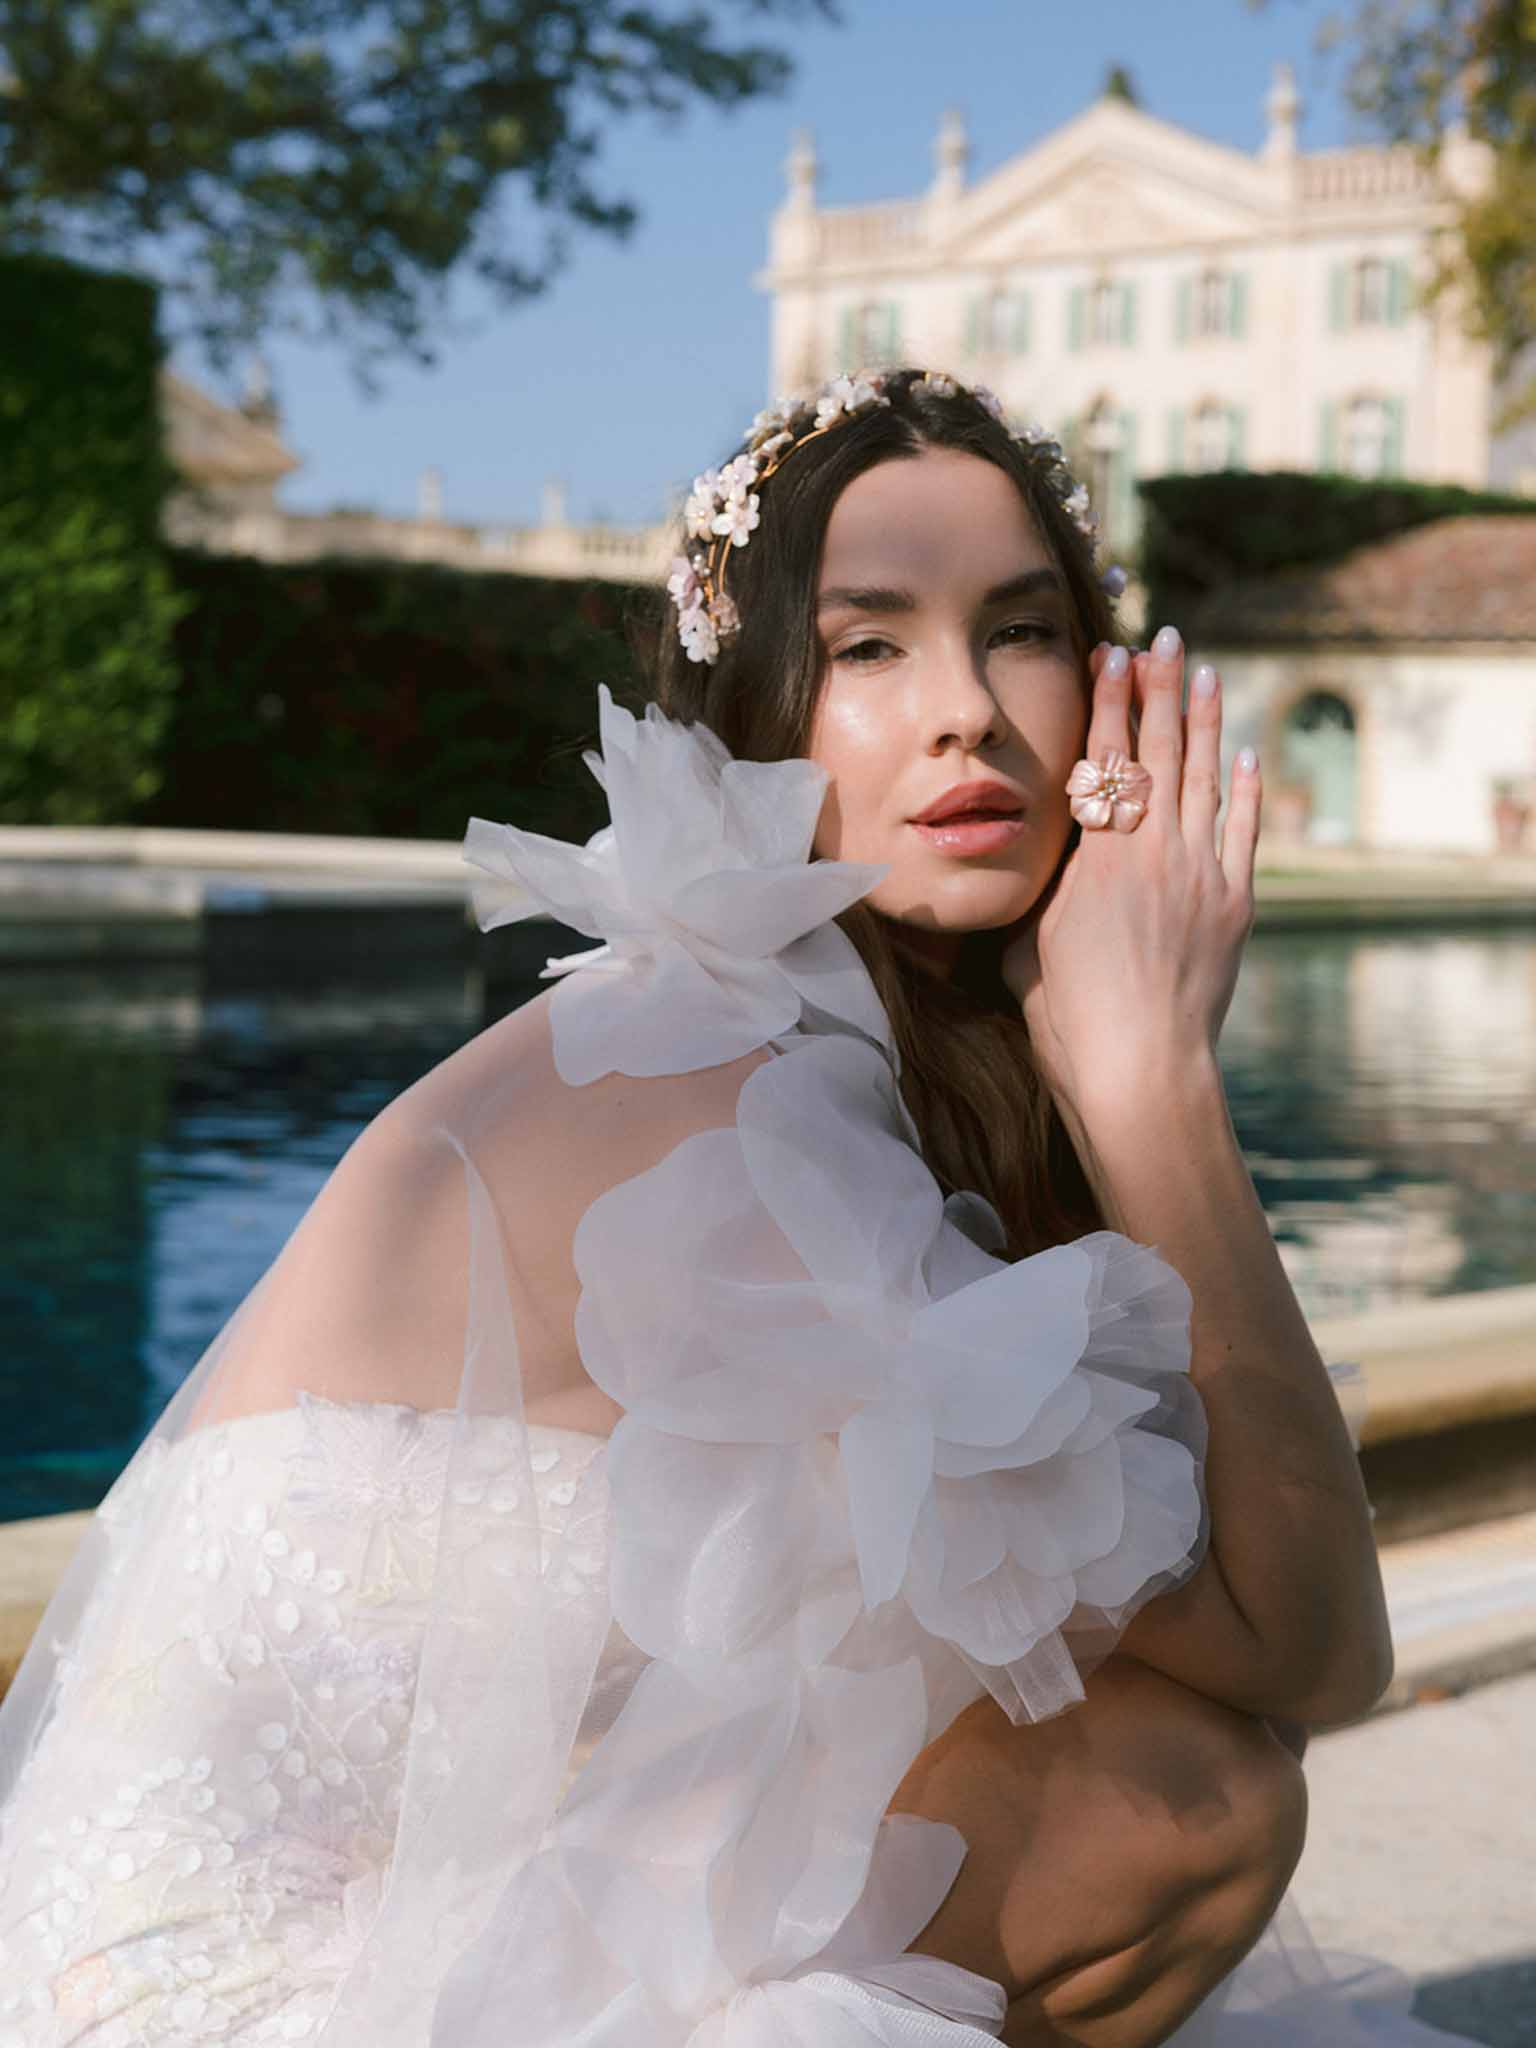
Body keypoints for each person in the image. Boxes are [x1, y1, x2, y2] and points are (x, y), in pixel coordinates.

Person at [0, 367, 1474, 2047]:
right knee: (1192, 1798)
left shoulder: (832, 1033)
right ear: (755, 711)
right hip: (231, 2000)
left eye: (1020, 631)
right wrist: (1156, 1087)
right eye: (868, 647)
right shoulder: (714, 1085)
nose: (966, 713)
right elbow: (1312, 1653)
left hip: (423, 1907)